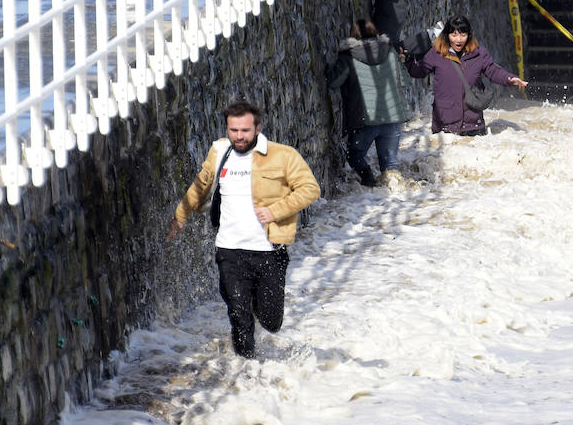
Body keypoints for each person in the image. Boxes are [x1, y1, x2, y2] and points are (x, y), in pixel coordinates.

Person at [166, 100, 321, 359]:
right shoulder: (219, 152)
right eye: (234, 130)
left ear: (257, 128)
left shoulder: (283, 155)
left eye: (245, 131)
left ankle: (258, 318)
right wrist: (180, 216)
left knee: (271, 321)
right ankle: (247, 368)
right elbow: (200, 186)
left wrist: (275, 211)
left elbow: (310, 189)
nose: (239, 136)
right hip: (230, 250)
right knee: (238, 315)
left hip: (269, 251)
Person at [403, 14, 527, 136]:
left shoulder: (479, 53)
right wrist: (407, 60)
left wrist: (509, 78)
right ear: (447, 35)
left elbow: (493, 70)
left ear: (469, 35)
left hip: (473, 124)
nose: (458, 39)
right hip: (445, 126)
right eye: (454, 35)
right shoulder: (437, 53)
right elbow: (419, 71)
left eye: (463, 34)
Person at [326, 19, 410, 187]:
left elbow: (334, 82)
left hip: (365, 120)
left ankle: (369, 185)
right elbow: (404, 80)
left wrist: (328, 68)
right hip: (392, 118)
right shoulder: (390, 52)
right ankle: (395, 198)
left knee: (354, 156)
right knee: (390, 168)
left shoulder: (348, 56)